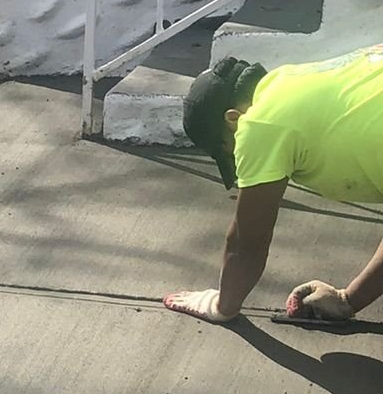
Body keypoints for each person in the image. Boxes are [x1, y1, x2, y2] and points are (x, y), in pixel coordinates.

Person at [163, 48, 383, 325]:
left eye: (228, 151)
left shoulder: (259, 124)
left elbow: (246, 242)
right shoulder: (289, 79)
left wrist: (222, 306)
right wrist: (347, 300)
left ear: (232, 118)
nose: (238, 159)